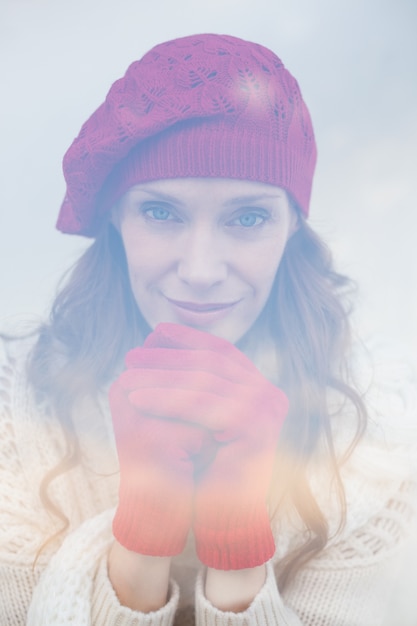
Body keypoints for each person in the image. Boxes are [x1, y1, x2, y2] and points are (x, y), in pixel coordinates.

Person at [0, 33, 416, 626]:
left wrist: (240, 545)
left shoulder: (378, 430)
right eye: (161, 212)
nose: (200, 271)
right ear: (115, 214)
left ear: (293, 223)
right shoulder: (14, 414)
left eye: (247, 217)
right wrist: (141, 534)